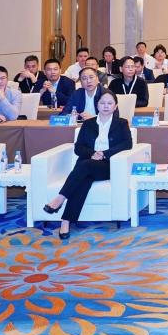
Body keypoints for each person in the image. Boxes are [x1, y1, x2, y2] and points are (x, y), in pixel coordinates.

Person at [39, 91, 131, 240]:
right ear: (97, 105)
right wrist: (92, 153)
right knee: (84, 180)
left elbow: (127, 144)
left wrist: (104, 154)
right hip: (87, 164)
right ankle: (66, 221)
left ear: (115, 106)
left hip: (107, 166)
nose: (106, 106)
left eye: (109, 103)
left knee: (85, 166)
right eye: (102, 103)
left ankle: (60, 199)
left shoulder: (121, 123)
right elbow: (78, 148)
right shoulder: (88, 124)